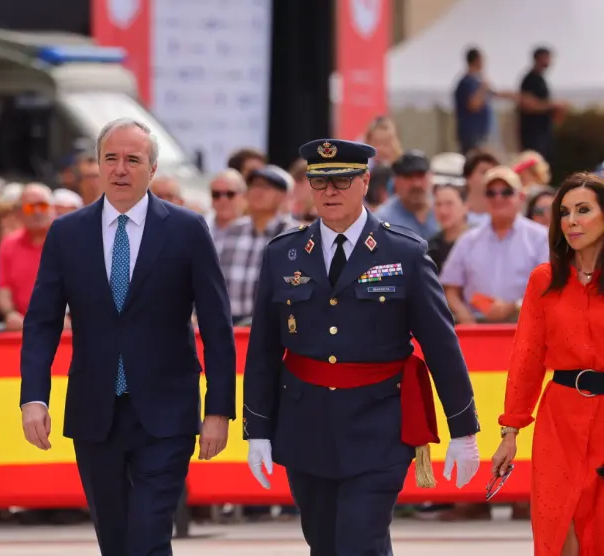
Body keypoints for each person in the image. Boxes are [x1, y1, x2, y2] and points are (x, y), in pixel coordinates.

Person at [242, 138, 482, 555]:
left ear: (365, 181)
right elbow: (263, 349)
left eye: (342, 181)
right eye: (320, 183)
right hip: (306, 425)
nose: (330, 193)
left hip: (378, 426)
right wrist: (257, 430)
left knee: (360, 542)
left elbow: (441, 345)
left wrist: (464, 430)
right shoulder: (285, 254)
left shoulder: (403, 252)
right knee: (325, 544)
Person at [19, 117, 237, 556]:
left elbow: (216, 325)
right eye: (111, 159)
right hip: (95, 411)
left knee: (148, 536)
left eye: (133, 160)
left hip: (167, 412)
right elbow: (41, 321)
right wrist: (33, 397)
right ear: (98, 166)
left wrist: (218, 410)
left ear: (152, 169)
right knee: (116, 541)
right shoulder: (68, 233)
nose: (120, 169)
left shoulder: (186, 229)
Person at [491, 172, 604, 555]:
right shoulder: (544, 280)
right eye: (565, 212)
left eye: (584, 210)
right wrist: (510, 431)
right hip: (559, 420)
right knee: (558, 527)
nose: (572, 220)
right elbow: (527, 358)